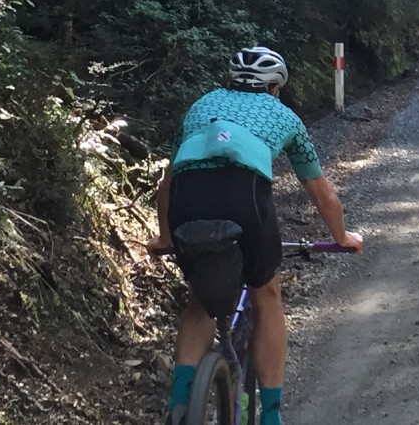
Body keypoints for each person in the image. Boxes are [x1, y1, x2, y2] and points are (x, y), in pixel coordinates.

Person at [149, 46, 363, 425]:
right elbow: (322, 194)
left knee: (201, 297)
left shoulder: (201, 105)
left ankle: (179, 408)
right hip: (243, 197)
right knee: (266, 294)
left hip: (187, 197)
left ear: (229, 82)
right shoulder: (285, 116)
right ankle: (272, 417)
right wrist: (342, 236)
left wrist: (165, 237)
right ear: (275, 89)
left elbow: (167, 183)